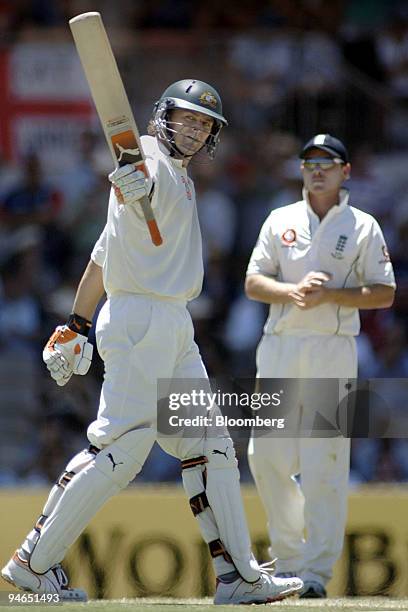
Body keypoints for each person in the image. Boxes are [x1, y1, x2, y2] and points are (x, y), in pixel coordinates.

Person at [1, 79, 303, 605]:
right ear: (163, 117)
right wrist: (129, 178)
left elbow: (101, 258)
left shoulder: (182, 179)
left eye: (204, 124)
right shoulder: (147, 158)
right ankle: (32, 563)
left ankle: (238, 579)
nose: (193, 128)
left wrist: (76, 321)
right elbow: (128, 164)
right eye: (186, 118)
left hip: (169, 324)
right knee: (119, 450)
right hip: (143, 321)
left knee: (209, 447)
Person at [245, 134, 396, 598]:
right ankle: (289, 560)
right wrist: (291, 293)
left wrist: (330, 295)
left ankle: (313, 576)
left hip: (332, 350)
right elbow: (253, 281)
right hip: (281, 345)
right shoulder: (280, 218)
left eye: (327, 163)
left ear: (344, 172)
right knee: (265, 458)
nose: (317, 170)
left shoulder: (363, 225)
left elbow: (385, 292)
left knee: (324, 465)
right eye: (309, 162)